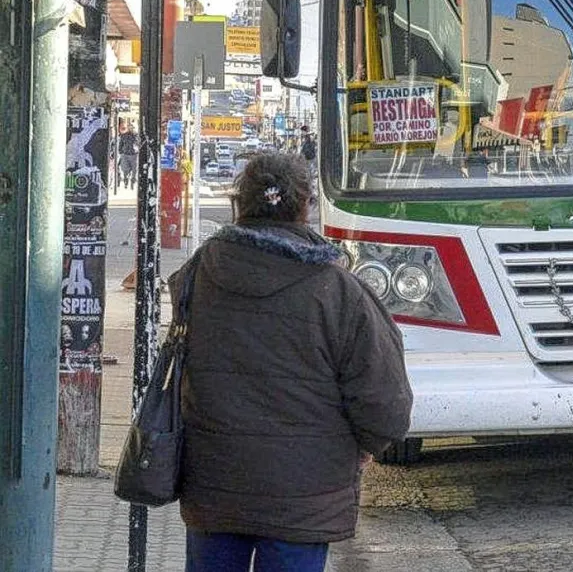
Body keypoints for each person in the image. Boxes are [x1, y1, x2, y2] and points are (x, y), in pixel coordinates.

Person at [169, 152, 413, 572]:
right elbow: (385, 400)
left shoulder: (199, 274)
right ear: (304, 207)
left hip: (214, 481)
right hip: (304, 495)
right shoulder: (339, 290)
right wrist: (370, 444)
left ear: (239, 205)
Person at [117, 121, 138, 189]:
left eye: (132, 127)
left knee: (134, 170)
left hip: (133, 154)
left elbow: (138, 144)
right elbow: (120, 144)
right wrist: (120, 151)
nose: (131, 128)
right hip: (125, 154)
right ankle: (126, 181)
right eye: (130, 127)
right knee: (125, 169)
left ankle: (132, 182)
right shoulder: (124, 135)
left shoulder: (136, 136)